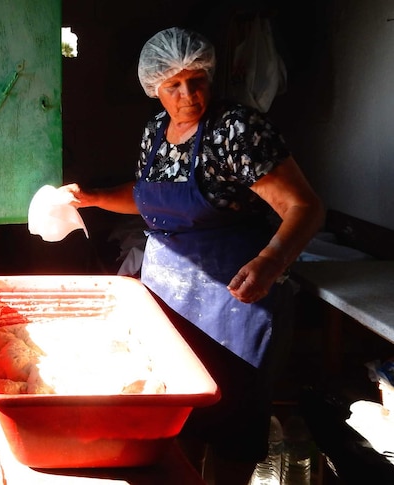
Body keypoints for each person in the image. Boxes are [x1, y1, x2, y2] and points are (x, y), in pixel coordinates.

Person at [59, 27, 325, 484]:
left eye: (196, 80)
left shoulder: (237, 129)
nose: (188, 95)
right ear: (154, 88)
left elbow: (304, 206)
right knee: (170, 415)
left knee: (232, 420)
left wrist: (271, 262)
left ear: (210, 74)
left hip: (235, 300)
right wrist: (96, 196)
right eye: (173, 85)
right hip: (167, 298)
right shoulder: (155, 132)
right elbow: (147, 197)